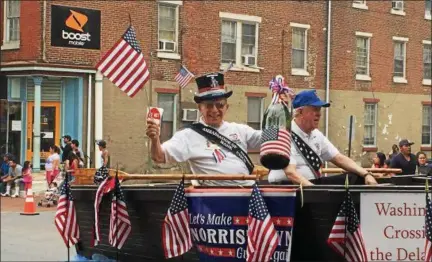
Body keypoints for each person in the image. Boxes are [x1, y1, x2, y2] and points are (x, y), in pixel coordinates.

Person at [146, 72, 261, 186]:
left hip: (249, 193)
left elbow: (269, 139)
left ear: (227, 107)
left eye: (220, 105)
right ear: (200, 108)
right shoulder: (188, 135)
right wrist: (155, 139)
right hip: (213, 198)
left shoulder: (241, 130)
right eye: (209, 105)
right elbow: (159, 157)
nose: (215, 110)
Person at [268, 90, 378, 186]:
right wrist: (316, 191)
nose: (319, 114)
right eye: (314, 109)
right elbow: (291, 173)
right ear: (300, 112)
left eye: (319, 110)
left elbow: (339, 158)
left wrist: (365, 174)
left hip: (311, 187)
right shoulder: (284, 134)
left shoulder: (317, 135)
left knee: (355, 178)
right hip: (288, 189)